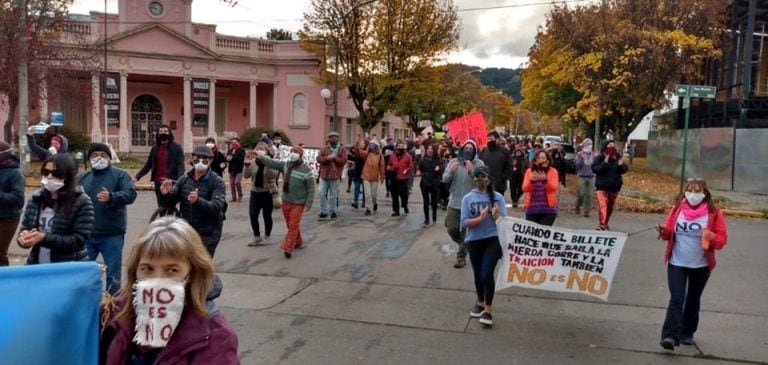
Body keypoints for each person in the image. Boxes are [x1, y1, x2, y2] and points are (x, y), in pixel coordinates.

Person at [99, 217, 239, 364]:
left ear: (191, 274)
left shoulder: (216, 336)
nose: (158, 280)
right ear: (135, 271)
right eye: (148, 269)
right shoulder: (111, 315)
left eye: (172, 270)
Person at [656, 178, 728, 351]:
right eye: (690, 190)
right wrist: (663, 231)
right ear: (685, 192)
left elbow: (721, 240)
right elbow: (668, 233)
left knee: (693, 299)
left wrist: (714, 238)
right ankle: (670, 336)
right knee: (677, 298)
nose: (693, 194)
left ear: (705, 194)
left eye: (697, 191)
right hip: (677, 262)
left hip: (701, 265)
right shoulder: (677, 208)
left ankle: (687, 332)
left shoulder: (713, 212)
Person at [78, 143, 137, 295]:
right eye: (94, 155)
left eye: (103, 155)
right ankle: (87, 300)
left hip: (112, 233)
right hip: (87, 233)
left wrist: (112, 197)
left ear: (109, 158)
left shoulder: (120, 175)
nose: (99, 158)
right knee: (84, 272)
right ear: (89, 159)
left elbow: (130, 194)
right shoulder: (82, 177)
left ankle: (113, 305)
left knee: (113, 274)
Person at [17, 154, 95, 263]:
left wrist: (43, 238)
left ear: (68, 176)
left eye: (55, 173)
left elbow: (79, 240)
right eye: (45, 172)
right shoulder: (36, 198)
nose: (49, 177)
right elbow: (25, 228)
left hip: (67, 266)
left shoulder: (81, 201)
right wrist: (23, 238)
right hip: (37, 263)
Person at [159, 145, 227, 257]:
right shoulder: (185, 179)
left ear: (211, 161)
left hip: (208, 233)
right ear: (192, 159)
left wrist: (197, 201)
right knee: (185, 264)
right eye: (197, 159)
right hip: (187, 231)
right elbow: (171, 202)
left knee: (201, 265)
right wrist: (166, 194)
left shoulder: (217, 181)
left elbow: (217, 207)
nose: (200, 162)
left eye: (205, 159)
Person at [460, 166, 506, 328]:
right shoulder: (467, 198)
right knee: (478, 273)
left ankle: (488, 309)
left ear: (489, 179)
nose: (481, 180)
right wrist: (479, 219)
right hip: (473, 241)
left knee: (487, 273)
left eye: (484, 177)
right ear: (473, 179)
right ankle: (480, 303)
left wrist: (496, 216)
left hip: (492, 239)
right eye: (477, 177)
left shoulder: (498, 197)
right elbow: (465, 222)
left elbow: (505, 223)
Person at [255, 146, 315, 259]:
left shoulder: (306, 170)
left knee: (293, 225)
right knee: (290, 225)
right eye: (292, 151)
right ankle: (299, 242)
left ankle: (288, 247)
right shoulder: (286, 165)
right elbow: (272, 163)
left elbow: (311, 188)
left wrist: (308, 203)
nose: (293, 154)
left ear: (300, 155)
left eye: (296, 152)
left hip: (299, 203)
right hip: (286, 200)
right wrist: (260, 157)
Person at [443, 140, 485, 268]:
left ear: (475, 150)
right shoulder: (454, 161)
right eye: (465, 147)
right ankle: (466, 244)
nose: (468, 150)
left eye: (470, 148)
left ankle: (461, 257)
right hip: (454, 201)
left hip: (470, 203)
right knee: (451, 228)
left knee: (466, 231)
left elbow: (482, 184)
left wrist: (472, 171)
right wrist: (451, 171)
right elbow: (444, 179)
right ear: (461, 149)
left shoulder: (479, 163)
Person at [134, 125, 185, 207]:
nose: (163, 133)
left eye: (165, 131)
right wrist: (137, 177)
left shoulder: (176, 148)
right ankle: (162, 218)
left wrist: (179, 181)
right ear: (157, 134)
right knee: (161, 206)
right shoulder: (155, 148)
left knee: (170, 205)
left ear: (169, 133)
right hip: (158, 181)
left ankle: (171, 217)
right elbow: (148, 164)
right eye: (160, 132)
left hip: (170, 181)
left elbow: (180, 166)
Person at [243, 142, 279, 246]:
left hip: (267, 192)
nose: (259, 150)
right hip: (255, 192)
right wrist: (246, 164)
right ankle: (257, 236)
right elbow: (246, 176)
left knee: (267, 216)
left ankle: (267, 236)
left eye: (262, 149)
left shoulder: (270, 162)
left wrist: (266, 162)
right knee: (253, 215)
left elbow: (273, 175)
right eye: (257, 148)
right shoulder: (253, 162)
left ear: (267, 151)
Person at [591, 140, 628, 230]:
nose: (611, 148)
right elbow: (595, 169)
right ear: (605, 147)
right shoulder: (599, 158)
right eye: (609, 146)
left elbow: (624, 170)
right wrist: (604, 163)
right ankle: (602, 224)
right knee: (603, 204)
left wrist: (621, 165)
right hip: (601, 186)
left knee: (609, 207)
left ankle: (605, 222)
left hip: (613, 187)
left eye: (613, 146)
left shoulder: (617, 157)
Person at [0, 141, 25, 266]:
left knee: (0, 252)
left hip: (7, 218)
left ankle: (4, 279)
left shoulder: (15, 173)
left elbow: (18, 198)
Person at [522, 150, 559, 226]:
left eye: (543, 158)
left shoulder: (553, 171)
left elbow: (553, 188)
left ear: (547, 159)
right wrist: (531, 182)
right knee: (532, 235)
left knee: (543, 234)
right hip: (532, 209)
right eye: (538, 158)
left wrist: (545, 181)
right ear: (535, 160)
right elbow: (525, 188)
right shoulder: (529, 171)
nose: (541, 160)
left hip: (548, 210)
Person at [316, 131, 347, 220]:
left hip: (335, 175)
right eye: (331, 137)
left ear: (338, 139)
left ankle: (333, 211)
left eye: (335, 137)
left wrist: (335, 158)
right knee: (322, 193)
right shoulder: (324, 148)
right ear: (329, 139)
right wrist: (326, 158)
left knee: (333, 195)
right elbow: (318, 159)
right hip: (324, 175)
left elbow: (343, 161)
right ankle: (323, 211)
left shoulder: (342, 149)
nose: (333, 139)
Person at [416, 144, 443, 227]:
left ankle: (434, 214)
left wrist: (438, 170)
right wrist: (419, 171)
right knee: (426, 201)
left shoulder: (438, 160)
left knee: (434, 201)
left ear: (434, 151)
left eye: (431, 149)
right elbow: (419, 168)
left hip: (434, 181)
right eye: (428, 149)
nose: (430, 150)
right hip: (425, 182)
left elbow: (441, 171)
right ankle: (426, 219)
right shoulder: (423, 160)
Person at [479, 131, 512, 196]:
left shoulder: (504, 151)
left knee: (497, 204)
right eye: (488, 139)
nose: (489, 141)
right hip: (485, 182)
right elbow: (480, 164)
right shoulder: (484, 151)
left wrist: (503, 177)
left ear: (497, 139)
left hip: (499, 184)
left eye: (491, 139)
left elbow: (509, 166)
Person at [360, 139, 386, 216]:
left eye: (373, 145)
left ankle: (375, 203)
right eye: (371, 145)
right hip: (366, 175)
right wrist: (358, 145)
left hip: (374, 177)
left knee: (373, 194)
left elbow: (382, 166)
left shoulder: (380, 155)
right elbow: (360, 153)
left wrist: (382, 176)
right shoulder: (367, 153)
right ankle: (368, 208)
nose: (371, 146)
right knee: (367, 194)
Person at [387, 141, 413, 217]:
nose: (400, 148)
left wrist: (407, 170)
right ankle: (396, 210)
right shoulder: (392, 156)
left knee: (404, 194)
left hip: (403, 177)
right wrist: (389, 167)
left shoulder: (407, 156)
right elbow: (389, 164)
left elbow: (411, 166)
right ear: (396, 148)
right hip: (394, 176)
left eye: (402, 147)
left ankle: (404, 205)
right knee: (394, 194)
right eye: (399, 147)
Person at [574, 138, 596, 217]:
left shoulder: (593, 154)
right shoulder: (580, 154)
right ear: (584, 145)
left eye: (591, 144)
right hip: (582, 176)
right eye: (588, 144)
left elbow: (595, 165)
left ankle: (586, 211)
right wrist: (582, 159)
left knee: (590, 194)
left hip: (591, 176)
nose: (590, 146)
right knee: (581, 193)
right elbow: (577, 166)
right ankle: (578, 205)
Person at [226, 137, 246, 202]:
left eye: (235, 142)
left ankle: (240, 195)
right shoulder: (230, 150)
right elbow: (227, 157)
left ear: (238, 143)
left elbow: (240, 158)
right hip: (231, 169)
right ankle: (233, 197)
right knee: (232, 184)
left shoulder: (241, 150)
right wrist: (227, 158)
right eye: (232, 142)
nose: (233, 144)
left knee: (237, 182)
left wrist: (232, 158)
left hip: (239, 169)